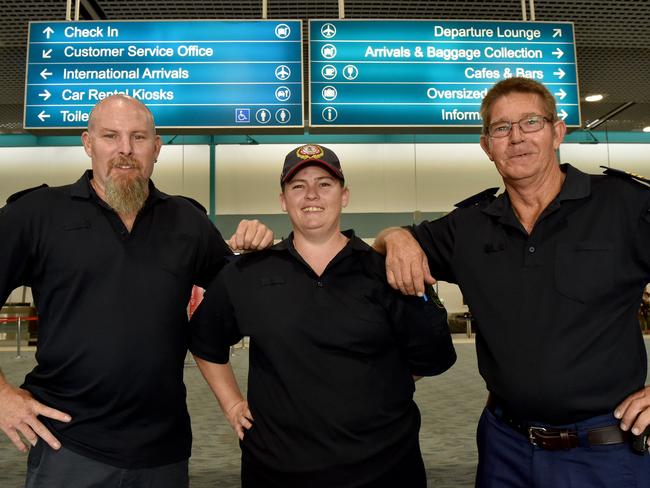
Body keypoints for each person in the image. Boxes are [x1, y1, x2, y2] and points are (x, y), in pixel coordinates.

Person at [374, 77, 650, 487]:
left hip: (604, 451)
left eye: (531, 123)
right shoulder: (468, 226)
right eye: (502, 128)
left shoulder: (623, 204)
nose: (516, 138)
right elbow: (385, 244)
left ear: (557, 132)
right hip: (505, 448)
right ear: (487, 145)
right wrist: (396, 236)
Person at [0, 94, 273, 488]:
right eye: (111, 136)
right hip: (70, 447)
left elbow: (245, 295)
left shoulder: (187, 222)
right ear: (88, 143)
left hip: (163, 452)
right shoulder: (38, 214)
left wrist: (257, 250)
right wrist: (4, 396)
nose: (125, 150)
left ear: (157, 148)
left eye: (139, 138)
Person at [189, 144, 456, 487]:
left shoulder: (386, 271)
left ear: (344, 196)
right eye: (298, 186)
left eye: (324, 184)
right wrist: (231, 404)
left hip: (382, 467)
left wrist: (373, 383)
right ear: (283, 200)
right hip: (277, 470)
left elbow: (432, 356)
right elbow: (204, 340)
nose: (311, 194)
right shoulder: (249, 272)